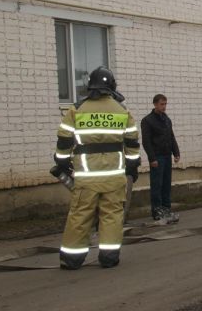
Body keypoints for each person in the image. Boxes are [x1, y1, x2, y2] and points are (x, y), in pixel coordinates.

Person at [53, 66, 141, 269]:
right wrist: (132, 167)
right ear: (111, 86)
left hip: (86, 178)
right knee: (112, 216)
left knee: (80, 216)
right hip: (114, 177)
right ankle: (109, 257)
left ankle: (72, 259)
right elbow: (132, 143)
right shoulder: (122, 111)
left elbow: (64, 140)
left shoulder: (77, 109)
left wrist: (62, 162)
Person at [141, 94, 181, 221]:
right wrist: (152, 158)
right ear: (155, 104)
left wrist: (176, 152)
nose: (164, 107)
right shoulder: (148, 121)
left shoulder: (166, 119)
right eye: (161, 104)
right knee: (157, 184)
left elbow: (171, 136)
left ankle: (166, 208)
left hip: (166, 155)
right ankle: (157, 211)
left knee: (166, 184)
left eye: (165, 104)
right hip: (157, 157)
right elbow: (146, 142)